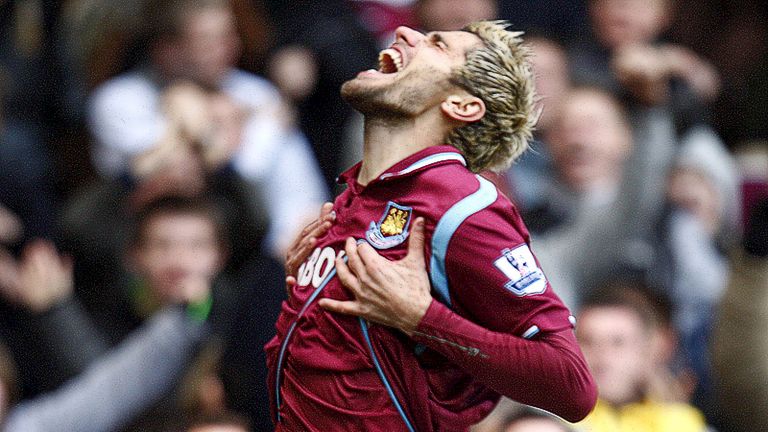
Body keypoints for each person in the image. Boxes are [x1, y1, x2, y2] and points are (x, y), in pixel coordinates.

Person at [266, 22, 597, 431]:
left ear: (462, 105)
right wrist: (307, 293)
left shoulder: (464, 208)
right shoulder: (354, 200)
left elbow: (572, 384)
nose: (404, 31)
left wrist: (422, 318)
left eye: (437, 45)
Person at [574, 284, 707, 432]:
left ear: (649, 350)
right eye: (588, 341)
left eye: (617, 342)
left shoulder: (684, 424)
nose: (602, 357)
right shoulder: (555, 422)